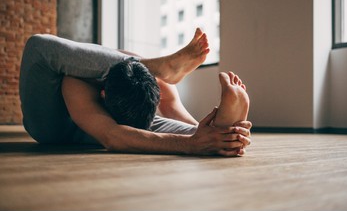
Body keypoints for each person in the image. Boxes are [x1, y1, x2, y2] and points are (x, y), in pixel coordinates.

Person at [19, 28, 251, 157]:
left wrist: (211, 135)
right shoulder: (76, 82)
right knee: (40, 47)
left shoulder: (80, 83)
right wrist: (194, 143)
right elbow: (113, 135)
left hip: (123, 122)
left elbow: (114, 135)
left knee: (38, 45)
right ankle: (156, 64)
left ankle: (155, 65)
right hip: (64, 127)